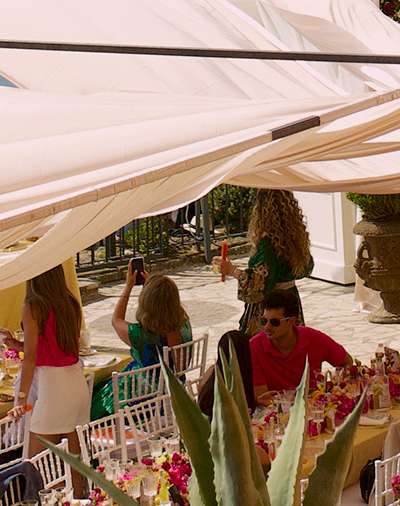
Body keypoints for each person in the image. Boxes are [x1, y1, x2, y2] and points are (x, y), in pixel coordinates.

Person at [92, 265, 194, 420]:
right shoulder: (183, 322)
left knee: (97, 394)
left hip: (145, 399)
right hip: (175, 390)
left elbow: (116, 320)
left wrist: (128, 287)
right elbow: (166, 305)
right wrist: (154, 286)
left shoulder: (141, 335)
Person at [16, 267, 91, 461]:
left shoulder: (33, 307)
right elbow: (55, 345)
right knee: (75, 463)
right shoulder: (70, 302)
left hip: (53, 387)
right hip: (76, 382)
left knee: (36, 464)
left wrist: (21, 398)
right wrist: (14, 344)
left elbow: (31, 356)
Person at [218, 190, 314, 323]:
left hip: (273, 309)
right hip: (290, 299)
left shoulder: (268, 246)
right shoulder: (293, 238)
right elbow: (306, 268)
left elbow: (259, 286)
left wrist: (232, 271)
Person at [245, 284, 350, 399]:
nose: (267, 327)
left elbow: (347, 362)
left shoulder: (314, 338)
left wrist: (339, 389)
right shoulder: (254, 347)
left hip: (313, 405)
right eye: (264, 321)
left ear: (291, 321)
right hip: (276, 407)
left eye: (275, 322)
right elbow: (263, 397)